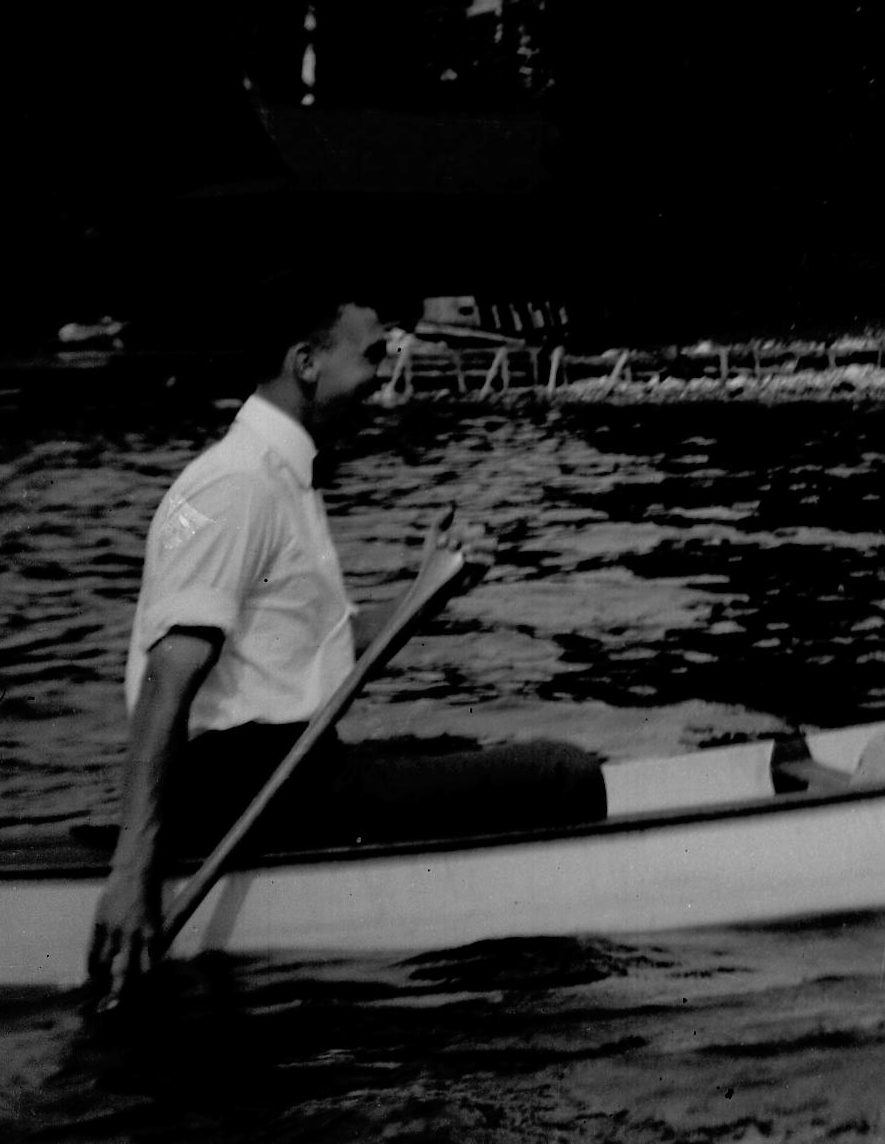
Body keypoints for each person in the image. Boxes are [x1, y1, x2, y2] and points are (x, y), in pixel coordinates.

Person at [85, 282, 606, 1008]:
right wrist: (132, 872)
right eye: (372, 356)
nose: (384, 375)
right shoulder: (234, 488)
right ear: (306, 362)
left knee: (475, 751)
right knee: (564, 776)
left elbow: (337, 646)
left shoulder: (283, 478)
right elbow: (167, 682)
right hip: (245, 789)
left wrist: (434, 586)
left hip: (292, 769)